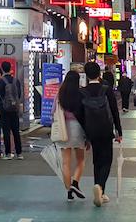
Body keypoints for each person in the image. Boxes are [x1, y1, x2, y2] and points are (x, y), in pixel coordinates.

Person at [79, 62, 123, 207]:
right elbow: (114, 111)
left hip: (91, 130)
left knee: (96, 160)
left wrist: (85, 134)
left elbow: (81, 115)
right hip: (106, 129)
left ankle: (100, 190)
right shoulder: (106, 89)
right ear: (99, 74)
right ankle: (100, 187)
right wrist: (119, 131)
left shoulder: (82, 92)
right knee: (107, 160)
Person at [55, 69, 88, 201]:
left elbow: (53, 111)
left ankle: (69, 191)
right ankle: (75, 182)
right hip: (79, 128)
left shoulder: (60, 94)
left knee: (66, 163)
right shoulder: (81, 93)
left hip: (64, 129)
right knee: (80, 160)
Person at [0, 61, 23, 159]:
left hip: (4, 108)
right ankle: (19, 153)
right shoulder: (16, 81)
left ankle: (8, 153)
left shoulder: (0, 81)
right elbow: (19, 94)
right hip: (14, 108)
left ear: (2, 69)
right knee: (15, 131)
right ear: (10, 68)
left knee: (6, 131)